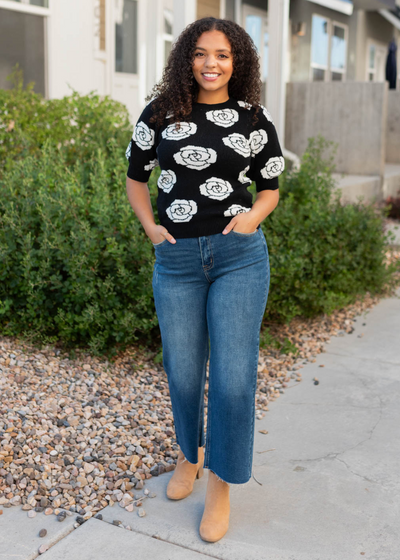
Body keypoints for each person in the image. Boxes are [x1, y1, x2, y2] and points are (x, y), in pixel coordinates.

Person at [125, 16, 284, 543]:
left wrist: (253, 218)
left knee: (235, 377)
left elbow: (269, 188)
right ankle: (187, 456)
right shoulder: (161, 113)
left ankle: (221, 484)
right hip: (177, 262)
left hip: (239, 257)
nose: (211, 64)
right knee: (184, 371)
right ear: (185, 60)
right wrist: (151, 228)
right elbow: (135, 177)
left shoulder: (254, 119)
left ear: (237, 61)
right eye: (200, 54)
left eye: (222, 54)